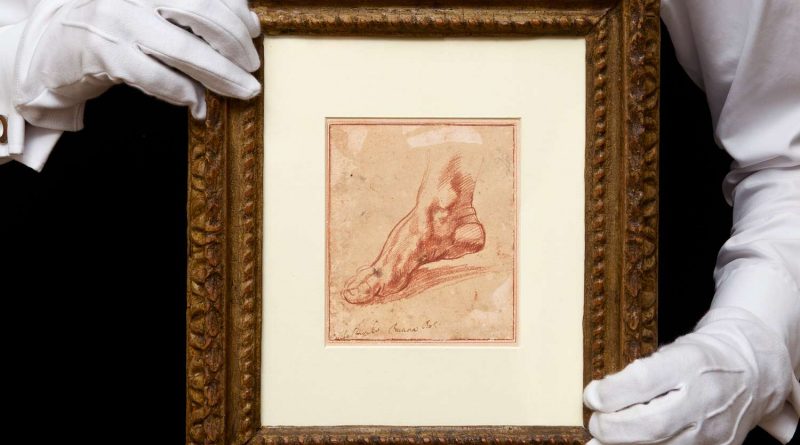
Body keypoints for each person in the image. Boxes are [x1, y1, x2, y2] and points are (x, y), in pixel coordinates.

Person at [1, 1, 797, 444]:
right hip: (130, 371)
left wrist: (756, 338)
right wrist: (34, 47)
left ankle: (438, 203)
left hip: (583, 407)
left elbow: (785, 148)